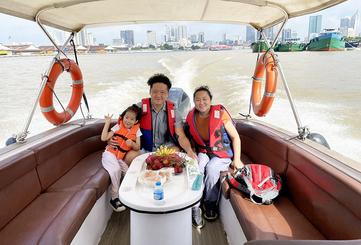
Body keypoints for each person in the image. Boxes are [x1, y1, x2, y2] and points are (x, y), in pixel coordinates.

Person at [185, 86, 243, 227]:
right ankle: (195, 206)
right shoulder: (191, 116)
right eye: (197, 100)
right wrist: (191, 151)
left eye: (204, 99)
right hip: (203, 151)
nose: (201, 102)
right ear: (194, 102)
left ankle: (210, 203)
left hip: (222, 154)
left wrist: (237, 159)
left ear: (210, 100)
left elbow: (235, 137)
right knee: (197, 168)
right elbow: (189, 138)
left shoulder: (221, 114)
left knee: (211, 169)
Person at [124, 73, 197, 161]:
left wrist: (189, 150)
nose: (158, 95)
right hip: (143, 148)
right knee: (129, 157)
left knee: (176, 152)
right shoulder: (139, 108)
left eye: (162, 92)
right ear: (150, 92)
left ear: (167, 94)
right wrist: (112, 138)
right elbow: (123, 121)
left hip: (165, 149)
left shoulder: (174, 111)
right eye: (155, 92)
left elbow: (180, 135)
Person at [101, 104, 142, 212]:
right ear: (122, 117)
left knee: (129, 172)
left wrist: (132, 144)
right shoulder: (118, 127)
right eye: (126, 117)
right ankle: (114, 198)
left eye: (132, 119)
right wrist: (107, 123)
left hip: (119, 158)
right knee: (116, 170)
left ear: (136, 121)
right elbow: (104, 137)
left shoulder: (137, 131)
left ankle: (128, 195)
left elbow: (138, 147)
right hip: (109, 154)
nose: (128, 121)